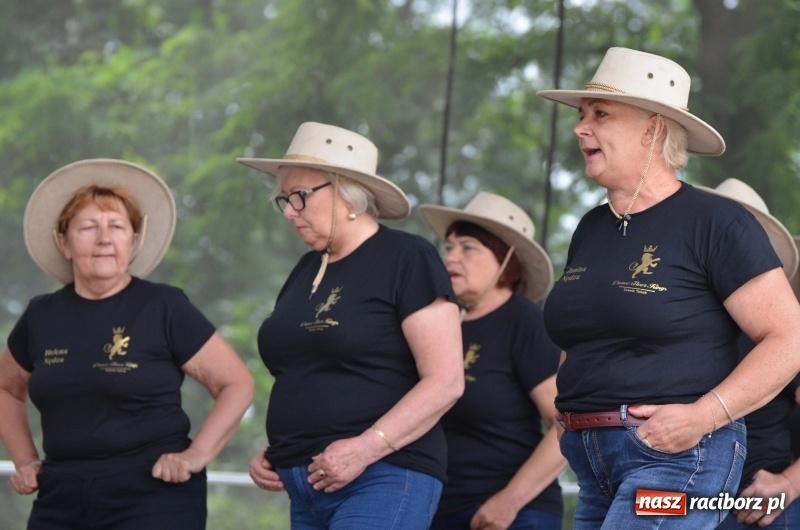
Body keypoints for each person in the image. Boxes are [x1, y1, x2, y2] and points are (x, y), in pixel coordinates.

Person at [536, 47, 800, 529]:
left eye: (600, 113)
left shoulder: (717, 221)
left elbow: (790, 338)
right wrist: (572, 406)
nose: (580, 127)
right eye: (581, 114)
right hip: (591, 460)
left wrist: (703, 416)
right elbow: (583, 334)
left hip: (678, 459)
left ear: (652, 127)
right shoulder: (591, 227)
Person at [0, 158, 255, 529]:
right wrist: (24, 460)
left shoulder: (165, 307)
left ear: (133, 241)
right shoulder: (41, 316)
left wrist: (196, 455)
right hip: (61, 496)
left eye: (117, 227)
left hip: (154, 497)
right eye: (88, 227)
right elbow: (5, 389)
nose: (104, 238)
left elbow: (236, 384)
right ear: (63, 241)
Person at [239, 122, 464, 530]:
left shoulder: (406, 257)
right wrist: (279, 449)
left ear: (347, 194)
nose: (289, 211)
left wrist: (365, 448)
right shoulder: (306, 268)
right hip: (307, 482)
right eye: (284, 200)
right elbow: (309, 371)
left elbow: (446, 382)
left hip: (382, 474)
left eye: (299, 197)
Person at [419, 192, 566, 530]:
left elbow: (565, 425)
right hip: (438, 510)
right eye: (449, 247)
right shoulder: (440, 323)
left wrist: (509, 502)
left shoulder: (524, 322)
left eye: (467, 247)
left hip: (511, 515)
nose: (451, 257)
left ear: (506, 262)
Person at [704, 180, 800, 529]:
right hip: (674, 498)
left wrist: (788, 484)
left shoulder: (782, 325)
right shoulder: (670, 317)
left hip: (755, 505)